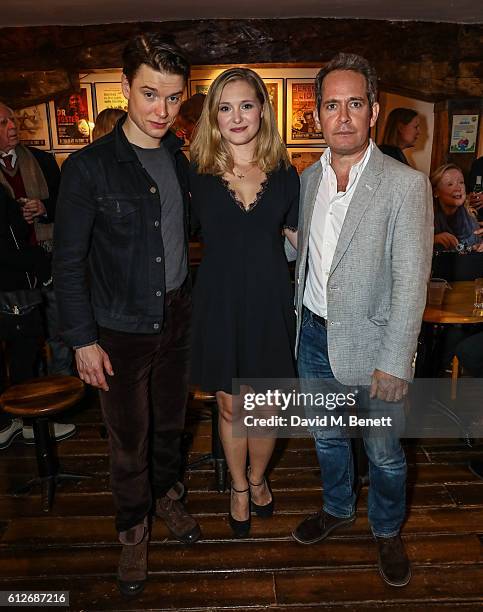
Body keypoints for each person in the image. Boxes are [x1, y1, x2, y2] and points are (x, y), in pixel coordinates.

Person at [53, 33, 201, 597]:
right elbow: (67, 264)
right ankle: (132, 528)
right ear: (125, 89)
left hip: (178, 318)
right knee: (128, 438)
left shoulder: (180, 160)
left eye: (172, 97)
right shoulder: (89, 168)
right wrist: (82, 341)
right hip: (116, 329)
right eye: (149, 95)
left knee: (170, 426)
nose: (162, 111)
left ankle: (165, 494)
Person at [292, 53, 433, 588]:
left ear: (374, 110)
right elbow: (312, 254)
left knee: (383, 451)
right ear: (319, 113)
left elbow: (412, 280)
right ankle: (337, 507)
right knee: (327, 438)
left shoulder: (405, 185)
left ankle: (387, 529)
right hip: (312, 335)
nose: (343, 116)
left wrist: (396, 361)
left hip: (375, 346)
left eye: (355, 103)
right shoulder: (308, 180)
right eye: (332, 105)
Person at [189, 67, 299, 538]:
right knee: (232, 406)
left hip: (271, 301)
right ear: (214, 115)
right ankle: (237, 485)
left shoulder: (287, 173)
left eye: (246, 105)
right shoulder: (192, 172)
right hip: (220, 302)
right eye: (225, 107)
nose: (236, 116)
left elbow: (304, 240)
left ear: (262, 110)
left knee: (268, 406)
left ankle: (258, 479)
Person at [0, 184, 74, 447]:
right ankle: (27, 424)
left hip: (15, 287)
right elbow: (9, 247)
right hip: (14, 290)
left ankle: (12, 423)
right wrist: (40, 260)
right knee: (24, 356)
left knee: (23, 355)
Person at [431, 163, 483, 252]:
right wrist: (431, 240)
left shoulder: (471, 218)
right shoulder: (426, 218)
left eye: (461, 182)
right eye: (450, 184)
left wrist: (478, 248)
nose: (458, 188)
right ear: (436, 192)